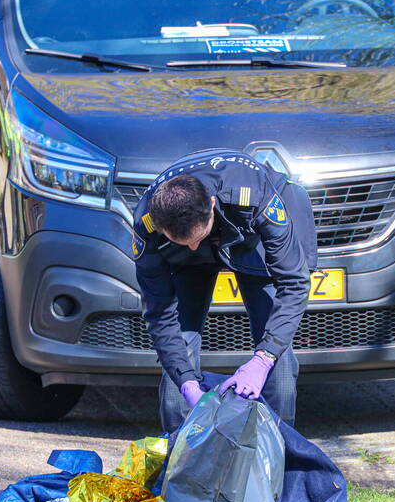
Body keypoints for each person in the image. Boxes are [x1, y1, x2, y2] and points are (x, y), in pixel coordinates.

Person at [132, 149, 317, 433]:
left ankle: (279, 452)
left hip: (249, 230)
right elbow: (159, 311)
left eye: (197, 238)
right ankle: (181, 453)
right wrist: (186, 382)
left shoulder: (254, 195)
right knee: (179, 349)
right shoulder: (148, 221)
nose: (193, 247)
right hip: (189, 242)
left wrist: (263, 358)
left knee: (276, 342)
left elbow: (293, 283)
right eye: (184, 242)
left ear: (211, 203)